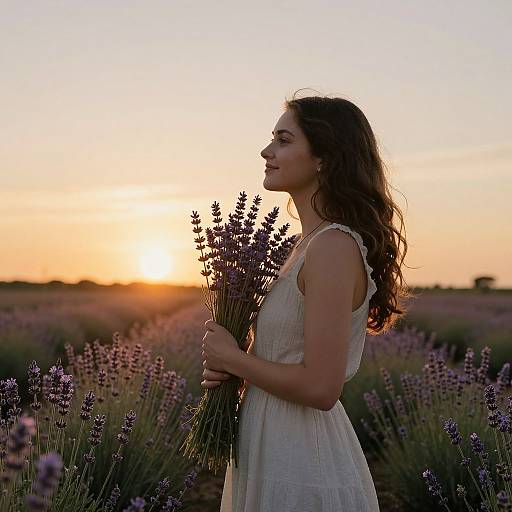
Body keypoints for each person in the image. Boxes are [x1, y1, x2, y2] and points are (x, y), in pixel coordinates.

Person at [201, 90, 412, 511]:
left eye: (283, 140)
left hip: (300, 460)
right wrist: (238, 365)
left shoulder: (332, 248)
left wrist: (233, 359)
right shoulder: (301, 246)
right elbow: (287, 358)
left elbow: (321, 387)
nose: (267, 151)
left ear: (324, 158)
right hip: (268, 442)